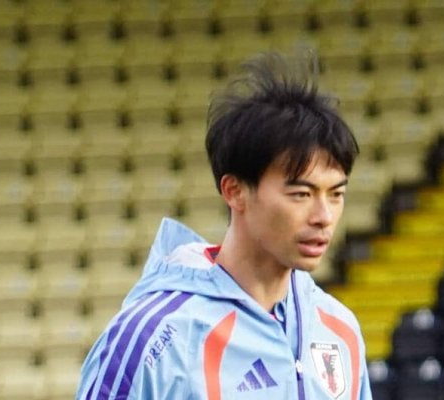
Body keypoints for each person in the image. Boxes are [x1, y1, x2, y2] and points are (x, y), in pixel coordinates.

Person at [77, 50, 372, 399]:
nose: (324, 216)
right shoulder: (153, 337)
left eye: (336, 194)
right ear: (235, 191)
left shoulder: (339, 328)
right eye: (301, 194)